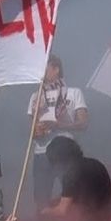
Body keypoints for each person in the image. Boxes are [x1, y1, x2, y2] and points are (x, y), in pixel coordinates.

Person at [26, 55, 88, 210]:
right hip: (41, 152)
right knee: (41, 198)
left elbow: (83, 123)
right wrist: (37, 131)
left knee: (72, 194)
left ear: (56, 69)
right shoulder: (36, 96)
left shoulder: (74, 93)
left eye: (44, 69)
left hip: (65, 150)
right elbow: (31, 130)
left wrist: (59, 125)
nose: (41, 73)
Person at [41, 137, 111, 221]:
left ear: (58, 159)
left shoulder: (70, 175)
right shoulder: (95, 163)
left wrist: (45, 211)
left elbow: (62, 211)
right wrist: (56, 200)